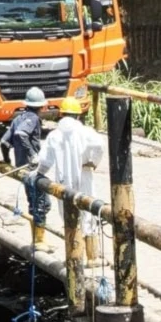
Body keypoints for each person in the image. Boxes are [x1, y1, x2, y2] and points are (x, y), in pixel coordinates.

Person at [32, 96, 106, 242]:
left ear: (62, 114)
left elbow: (45, 161)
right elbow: (99, 145)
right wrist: (92, 161)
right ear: (78, 115)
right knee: (88, 211)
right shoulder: (86, 131)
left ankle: (73, 251)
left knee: (68, 215)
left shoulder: (54, 135)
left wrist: (38, 175)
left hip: (63, 179)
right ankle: (92, 257)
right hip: (84, 176)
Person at [1, 87, 48, 219]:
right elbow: (21, 134)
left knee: (34, 202)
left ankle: (36, 234)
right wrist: (33, 154)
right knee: (42, 204)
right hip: (32, 169)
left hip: (22, 167)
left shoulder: (18, 119)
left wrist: (7, 160)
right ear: (41, 107)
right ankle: (38, 237)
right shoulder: (33, 118)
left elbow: (3, 142)